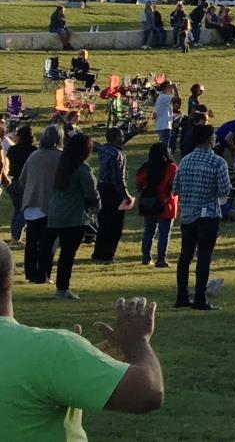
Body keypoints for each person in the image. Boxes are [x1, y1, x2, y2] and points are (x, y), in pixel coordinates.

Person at [0, 244, 168, 435]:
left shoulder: (54, 353)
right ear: (12, 274)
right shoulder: (56, 350)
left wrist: (76, 363)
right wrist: (138, 342)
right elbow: (148, 393)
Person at [173, 123, 230, 311]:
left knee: (185, 256)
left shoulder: (185, 161)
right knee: (204, 256)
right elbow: (224, 190)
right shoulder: (218, 162)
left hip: (188, 214)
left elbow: (176, 188)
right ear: (209, 140)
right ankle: (199, 298)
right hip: (208, 214)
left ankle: (182, 296)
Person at [48, 133, 99, 300]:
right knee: (68, 254)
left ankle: (60, 286)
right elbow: (91, 193)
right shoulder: (83, 169)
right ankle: (63, 288)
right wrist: (97, 205)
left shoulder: (62, 166)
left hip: (57, 214)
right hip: (74, 216)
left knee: (64, 253)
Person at [17, 127, 64, 285]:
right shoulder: (60, 156)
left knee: (32, 241)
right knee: (49, 242)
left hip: (31, 203)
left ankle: (30, 273)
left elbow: (22, 179)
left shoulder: (34, 155)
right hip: (50, 204)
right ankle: (43, 274)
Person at [136, 143, 178, 268]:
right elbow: (175, 184)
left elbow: (139, 182)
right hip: (166, 202)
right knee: (164, 233)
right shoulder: (171, 167)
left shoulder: (146, 167)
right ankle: (161, 259)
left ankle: (146, 257)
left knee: (149, 231)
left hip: (149, 202)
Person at [91, 128, 130, 263]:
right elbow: (118, 178)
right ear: (116, 138)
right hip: (113, 191)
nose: (123, 138)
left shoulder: (105, 149)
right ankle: (108, 254)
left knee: (104, 223)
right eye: (121, 136)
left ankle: (98, 253)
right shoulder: (116, 155)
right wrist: (126, 195)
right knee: (115, 226)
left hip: (102, 188)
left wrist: (136, 131)